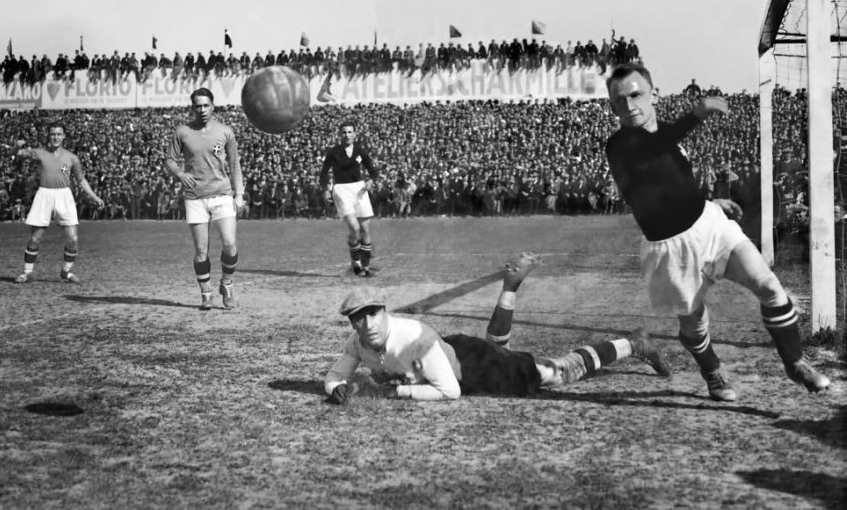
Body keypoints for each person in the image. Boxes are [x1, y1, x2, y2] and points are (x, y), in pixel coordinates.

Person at [604, 62, 830, 401]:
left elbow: (668, 181)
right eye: (619, 101)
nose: (629, 106)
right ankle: (711, 369)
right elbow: (651, 152)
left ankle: (795, 361)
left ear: (654, 94)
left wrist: (710, 202)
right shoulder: (619, 145)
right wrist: (697, 113)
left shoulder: (667, 133)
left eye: (635, 95)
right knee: (693, 324)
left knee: (767, 284)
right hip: (669, 248)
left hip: (709, 225)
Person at [322, 253, 670, 402]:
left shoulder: (414, 336)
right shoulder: (358, 341)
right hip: (456, 351)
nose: (366, 324)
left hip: (469, 371)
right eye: (358, 318)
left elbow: (449, 393)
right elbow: (335, 374)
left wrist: (395, 391)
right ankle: (509, 290)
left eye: (372, 314)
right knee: (498, 349)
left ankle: (633, 344)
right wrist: (334, 387)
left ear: (385, 312)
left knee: (558, 372)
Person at [165, 88, 245, 310]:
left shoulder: (226, 132)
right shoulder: (182, 131)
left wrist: (239, 194)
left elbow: (235, 164)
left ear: (213, 106)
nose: (201, 109)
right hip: (195, 198)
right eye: (197, 106)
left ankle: (226, 284)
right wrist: (180, 174)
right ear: (193, 108)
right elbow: (170, 160)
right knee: (201, 251)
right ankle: (206, 293)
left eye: (205, 105)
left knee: (229, 245)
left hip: (222, 194)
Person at [13, 122, 104, 283]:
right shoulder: (39, 153)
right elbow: (17, 154)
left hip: (64, 196)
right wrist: (15, 146)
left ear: (64, 136)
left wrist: (94, 197)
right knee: (35, 238)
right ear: (49, 136)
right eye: (53, 134)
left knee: (72, 238)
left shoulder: (72, 158)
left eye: (58, 134)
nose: (55, 137)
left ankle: (66, 271)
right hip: (44, 194)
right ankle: (27, 272)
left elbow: (81, 180)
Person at [319, 119, 380, 277]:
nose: (347, 135)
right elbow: (323, 173)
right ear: (340, 135)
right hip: (341, 189)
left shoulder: (360, 151)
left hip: (359, 189)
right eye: (344, 132)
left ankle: (366, 268)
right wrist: (326, 189)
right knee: (355, 228)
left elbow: (373, 170)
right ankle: (355, 261)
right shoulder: (333, 152)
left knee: (366, 230)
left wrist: (371, 181)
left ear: (355, 134)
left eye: (350, 132)